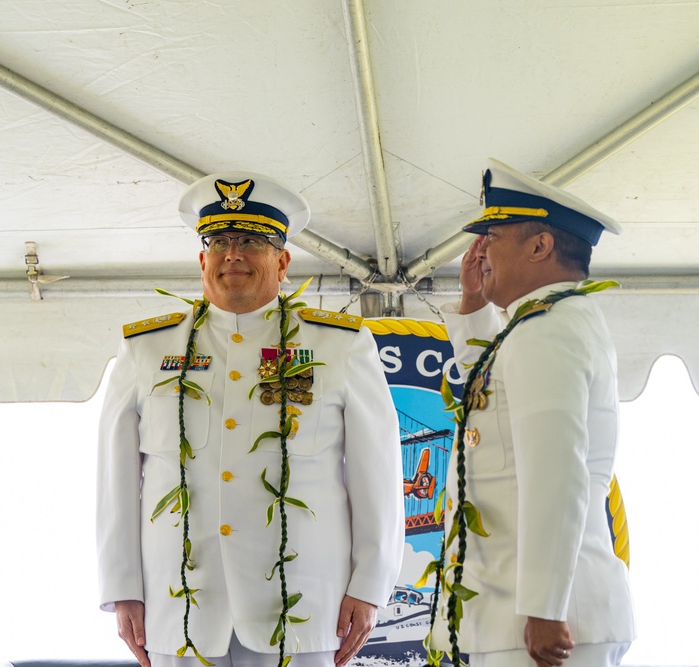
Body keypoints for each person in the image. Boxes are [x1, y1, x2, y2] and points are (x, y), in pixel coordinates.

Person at [97, 171, 404, 667]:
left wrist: (370, 586)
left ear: (282, 261)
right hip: (180, 604)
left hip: (304, 606)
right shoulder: (146, 348)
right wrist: (122, 587)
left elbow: (379, 474)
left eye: (251, 241)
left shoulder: (338, 344)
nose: (232, 254)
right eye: (217, 241)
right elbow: (115, 480)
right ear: (202, 260)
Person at [430, 159, 635, 667]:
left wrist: (546, 607)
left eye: (492, 237)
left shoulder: (547, 329)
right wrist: (474, 304)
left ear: (540, 247)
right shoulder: (547, 324)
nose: (480, 254)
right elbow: (493, 391)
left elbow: (555, 472)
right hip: (526, 619)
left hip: (542, 626)